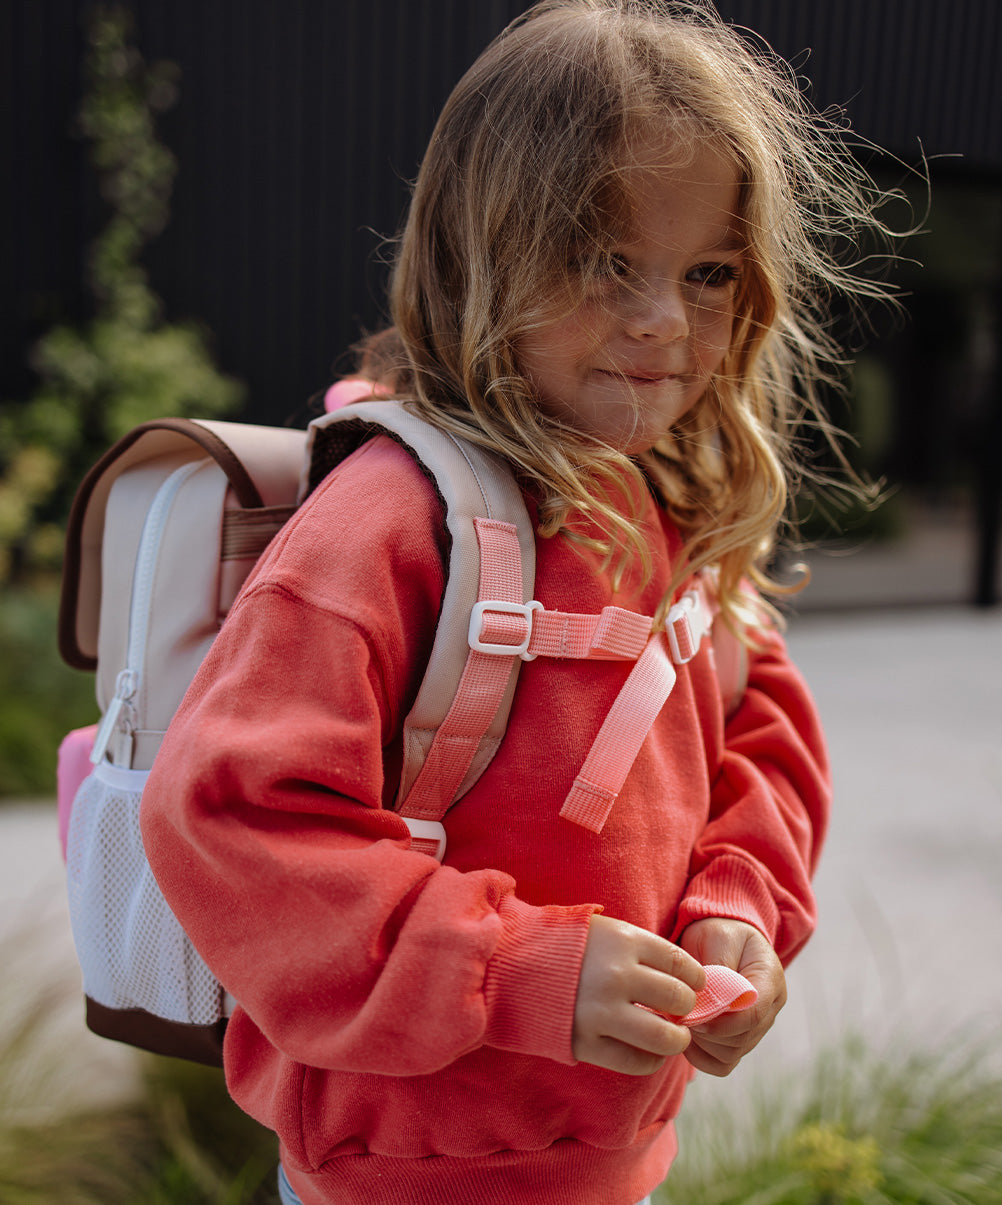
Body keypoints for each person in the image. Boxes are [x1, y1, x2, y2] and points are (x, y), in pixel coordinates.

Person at [141, 2, 900, 1201]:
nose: (665, 321)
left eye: (709, 273)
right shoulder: (384, 527)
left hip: (614, 1156)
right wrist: (511, 966)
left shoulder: (667, 504)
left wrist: (738, 902)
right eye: (608, 261)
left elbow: (760, 730)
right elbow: (234, 818)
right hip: (400, 1170)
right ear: (478, 254)